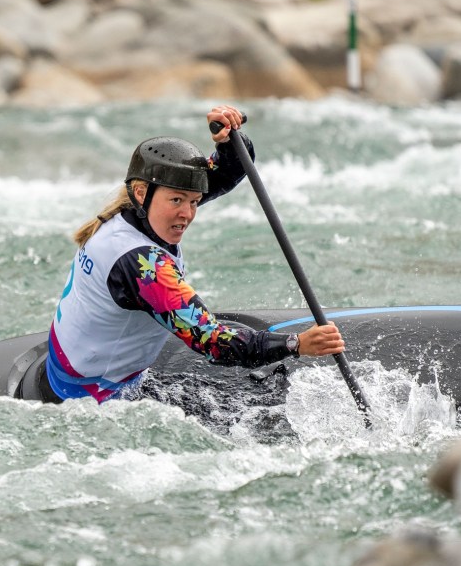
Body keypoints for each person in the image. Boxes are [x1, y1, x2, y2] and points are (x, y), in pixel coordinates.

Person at [44, 104, 346, 403]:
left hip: (66, 370)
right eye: (178, 200)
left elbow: (229, 171)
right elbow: (213, 342)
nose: (188, 213)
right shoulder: (143, 265)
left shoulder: (133, 212)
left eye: (194, 201)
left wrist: (229, 141)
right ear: (142, 193)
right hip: (95, 395)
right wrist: (297, 344)